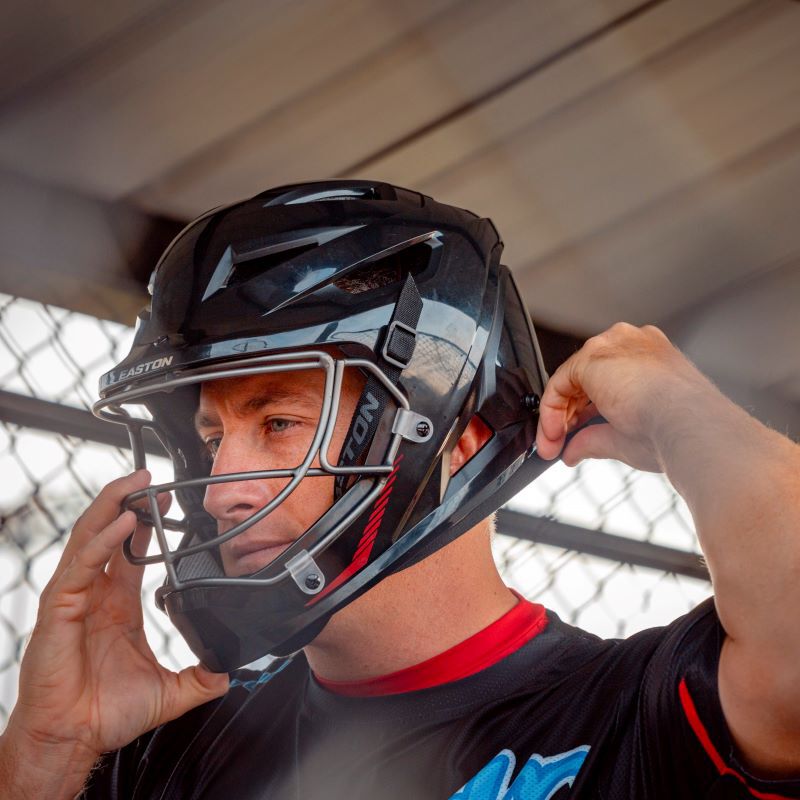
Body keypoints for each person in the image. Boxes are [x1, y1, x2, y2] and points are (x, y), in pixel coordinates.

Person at [0, 181, 798, 799]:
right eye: (212, 441)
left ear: (459, 436)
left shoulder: (633, 717)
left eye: (278, 423)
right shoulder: (174, 748)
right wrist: (48, 755)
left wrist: (685, 413)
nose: (219, 492)